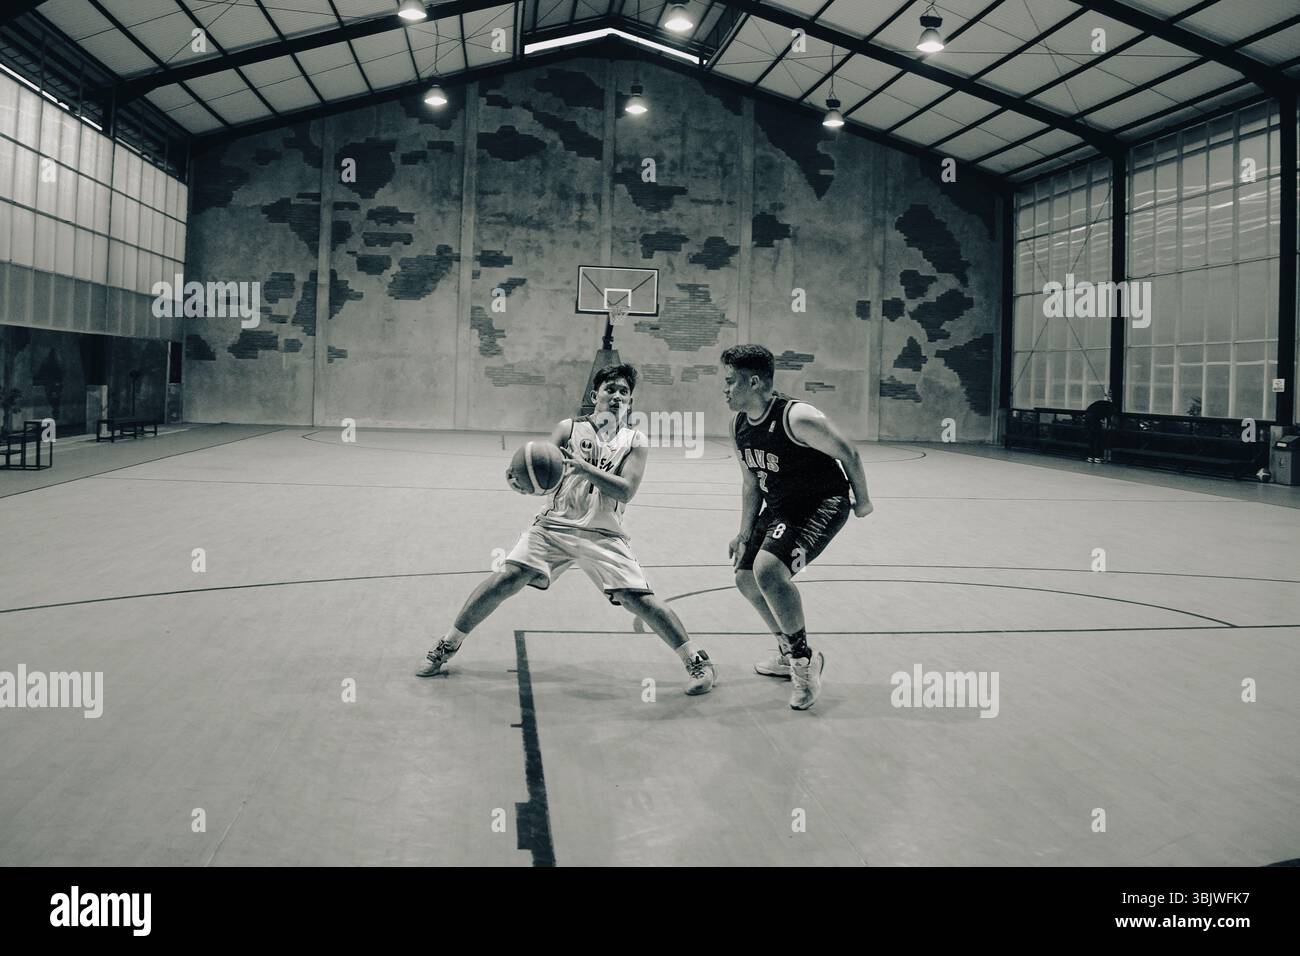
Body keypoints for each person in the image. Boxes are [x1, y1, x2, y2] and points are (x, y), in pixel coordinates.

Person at [416, 363, 716, 695]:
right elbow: (541, 468)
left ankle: (697, 661)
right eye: (610, 389)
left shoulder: (635, 440)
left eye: (624, 392)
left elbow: (626, 490)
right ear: (594, 395)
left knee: (638, 599)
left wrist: (586, 469)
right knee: (506, 578)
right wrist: (520, 479)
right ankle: (447, 644)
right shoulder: (568, 428)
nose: (616, 396)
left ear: (630, 401)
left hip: (603, 533)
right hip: (555, 525)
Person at [722, 345, 873, 710]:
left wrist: (863, 501)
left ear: (753, 381)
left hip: (821, 504)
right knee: (744, 575)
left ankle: (804, 664)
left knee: (769, 571)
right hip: (780, 507)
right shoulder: (739, 424)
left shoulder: (797, 417)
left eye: (730, 382)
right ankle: (787, 651)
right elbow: (751, 483)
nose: (724, 389)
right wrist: (743, 535)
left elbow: (848, 452)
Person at [1084, 394, 1116, 463]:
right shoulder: (1111, 407)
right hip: (1094, 420)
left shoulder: (1102, 403)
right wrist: (1109, 426)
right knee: (1098, 439)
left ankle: (1090, 457)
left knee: (1091, 439)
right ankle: (1097, 457)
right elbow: (1108, 417)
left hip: (1088, 417)